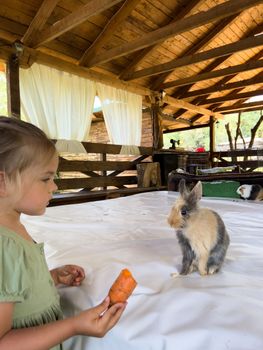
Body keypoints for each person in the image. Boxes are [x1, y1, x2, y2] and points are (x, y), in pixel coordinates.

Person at [0, 116, 126, 350]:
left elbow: (17, 288)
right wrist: (73, 326)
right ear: (2, 182)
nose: (54, 187)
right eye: (46, 178)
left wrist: (53, 277)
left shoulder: (13, 229)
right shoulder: (3, 247)